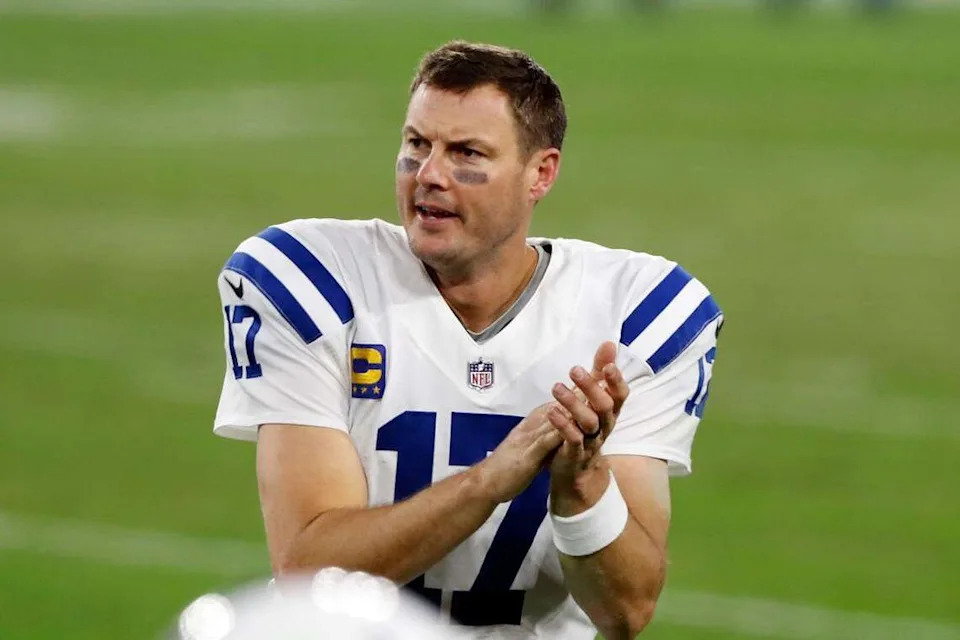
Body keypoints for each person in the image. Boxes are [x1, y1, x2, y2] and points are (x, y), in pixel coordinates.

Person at [213, 41, 722, 640]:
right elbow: (309, 572)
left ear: (541, 173)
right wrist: (489, 480)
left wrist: (582, 481)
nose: (429, 175)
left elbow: (626, 610)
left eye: (466, 153)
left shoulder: (638, 315)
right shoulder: (312, 283)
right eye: (416, 145)